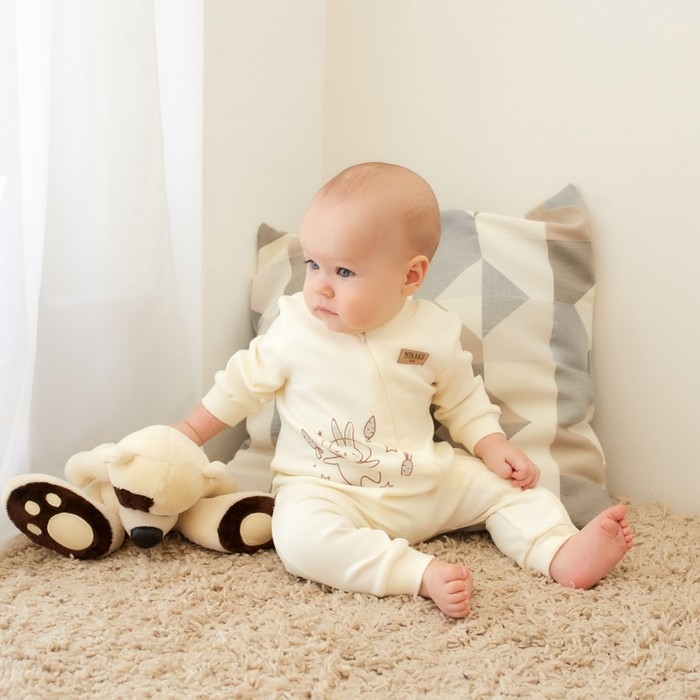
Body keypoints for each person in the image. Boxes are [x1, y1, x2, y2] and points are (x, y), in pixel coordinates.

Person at [173, 162, 633, 618]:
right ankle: (416, 573)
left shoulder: (432, 330)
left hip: (427, 481)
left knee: (515, 490)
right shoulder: (293, 328)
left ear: (410, 276)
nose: (320, 288)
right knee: (298, 540)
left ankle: (557, 551)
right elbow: (238, 386)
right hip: (327, 491)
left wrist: (492, 446)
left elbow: (462, 399)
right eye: (313, 265)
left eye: (344, 272)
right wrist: (189, 434)